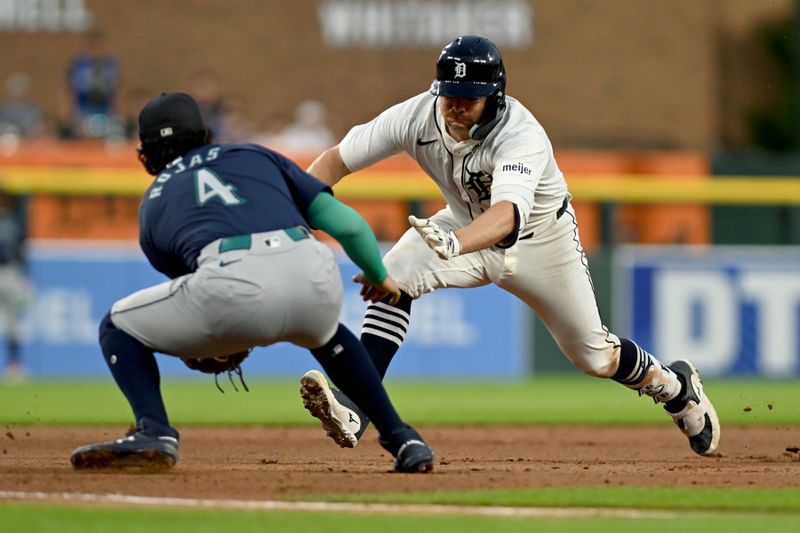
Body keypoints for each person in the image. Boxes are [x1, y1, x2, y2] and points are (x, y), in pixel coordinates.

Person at [298, 35, 721, 457]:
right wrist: (296, 212)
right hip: (461, 226)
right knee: (396, 274)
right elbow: (336, 160)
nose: (456, 105)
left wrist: (454, 242)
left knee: (595, 356)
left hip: (542, 242)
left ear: (495, 97)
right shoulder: (417, 115)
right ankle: (355, 406)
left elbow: (506, 218)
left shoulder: (521, 134)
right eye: (449, 94)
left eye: (469, 97)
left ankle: (675, 387)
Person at [69, 92, 434, 473]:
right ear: (204, 133)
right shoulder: (255, 155)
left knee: (116, 326)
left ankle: (154, 429)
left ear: (145, 151)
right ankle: (402, 437)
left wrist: (224, 340)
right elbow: (350, 225)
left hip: (231, 283)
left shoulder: (155, 200)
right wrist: (379, 276)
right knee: (329, 335)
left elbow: (200, 292)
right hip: (310, 265)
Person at [0, 193, 32, 382]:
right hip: (9, 272)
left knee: (13, 324)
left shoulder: (13, 222)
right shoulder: (12, 223)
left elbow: (20, 251)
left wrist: (24, 275)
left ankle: (14, 365)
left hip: (11, 273)